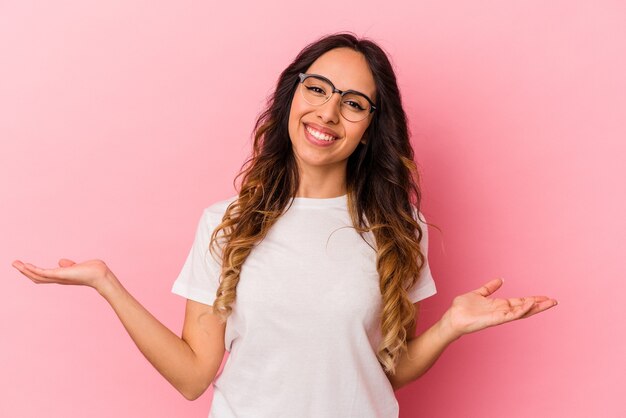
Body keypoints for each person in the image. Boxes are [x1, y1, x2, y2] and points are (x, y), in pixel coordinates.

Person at [11, 32, 557, 418]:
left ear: (369, 128)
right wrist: (108, 284)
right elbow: (193, 376)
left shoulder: (397, 227)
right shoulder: (225, 223)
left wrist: (451, 325)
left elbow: (382, 370)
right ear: (292, 95)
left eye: (353, 103)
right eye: (316, 88)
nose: (328, 113)